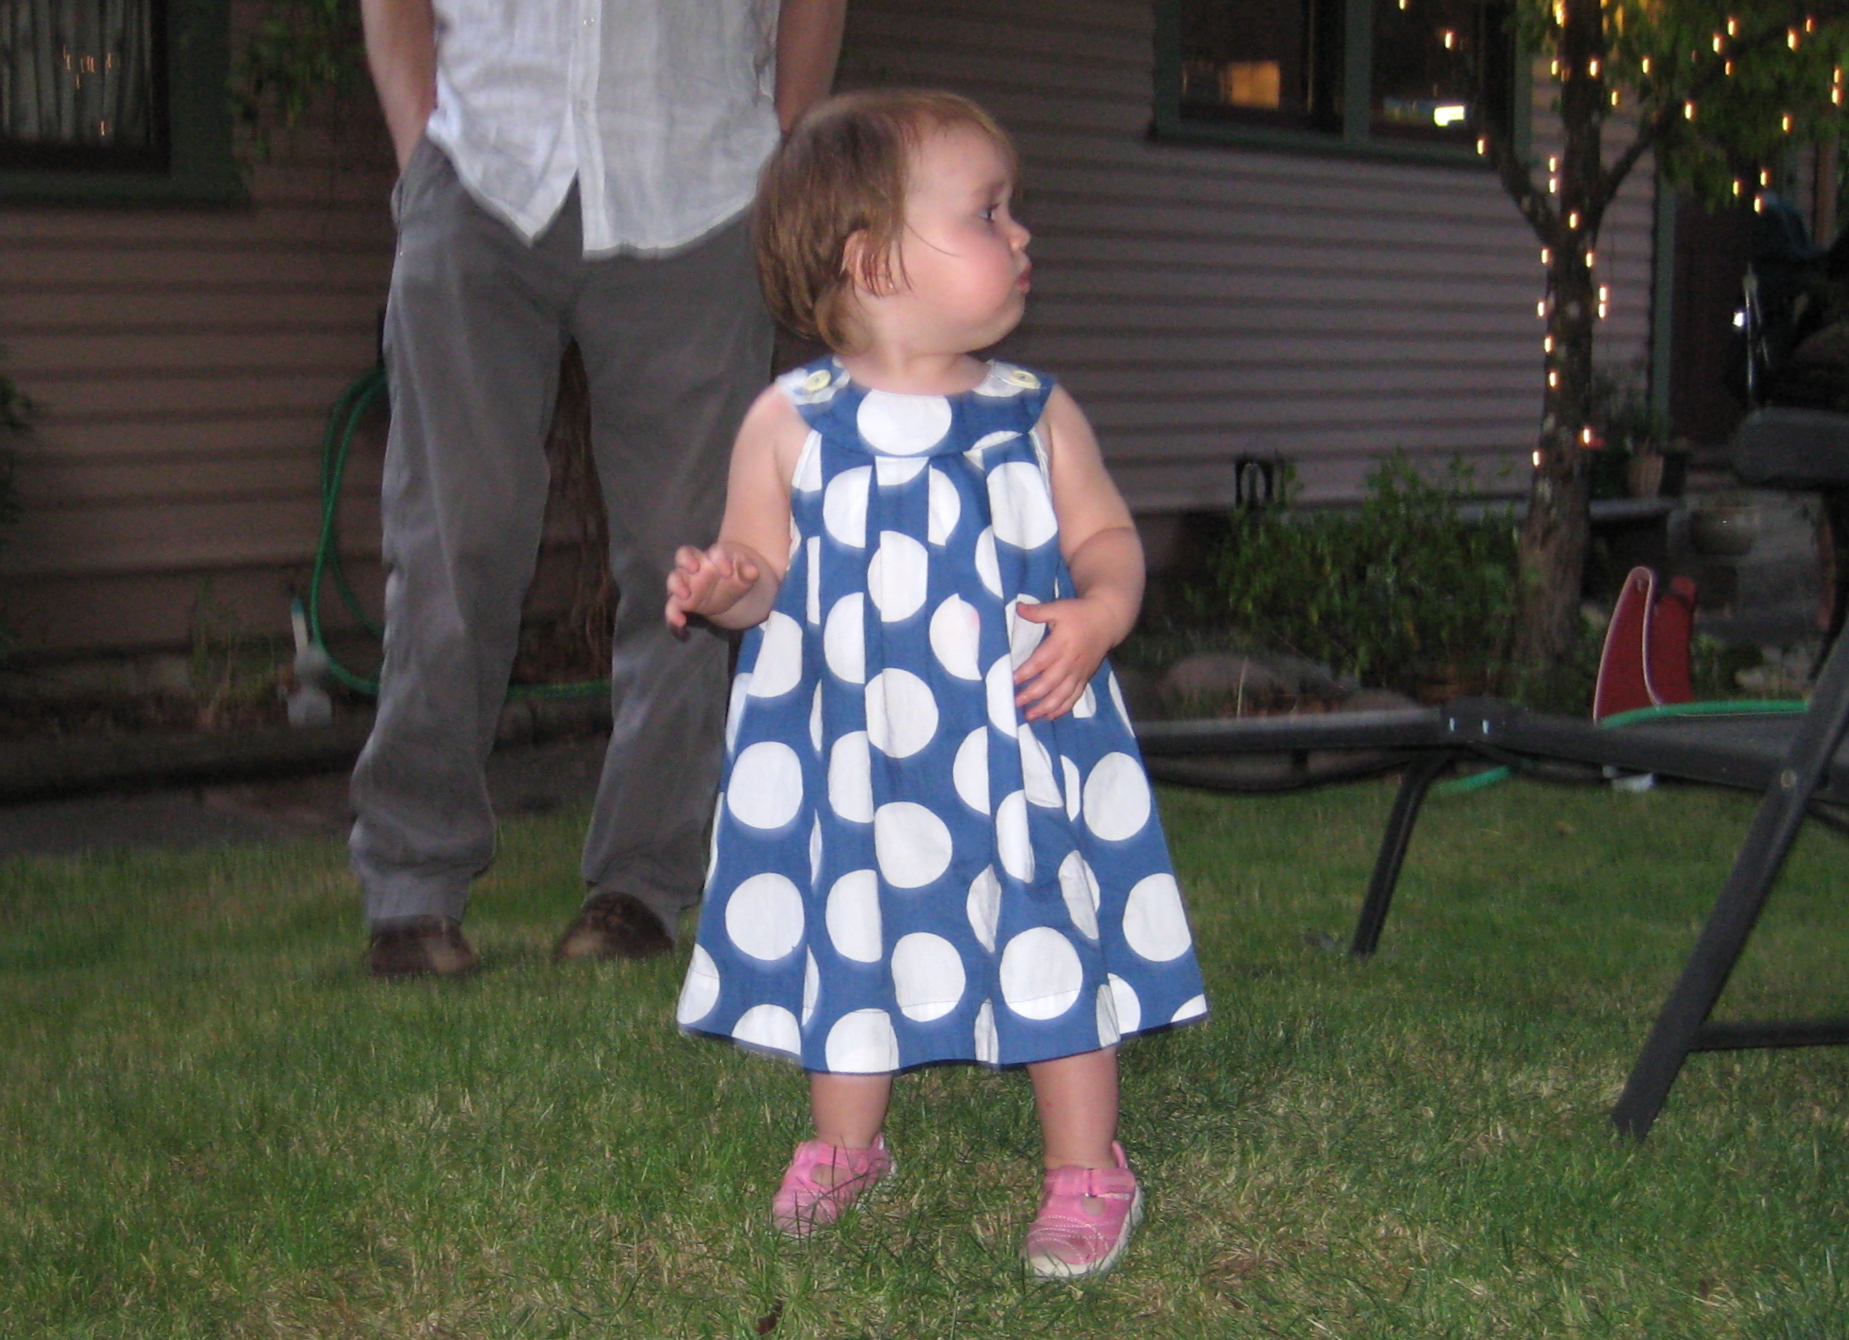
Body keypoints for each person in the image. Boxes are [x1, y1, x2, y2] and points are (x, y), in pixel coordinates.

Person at [664, 90, 1209, 1280]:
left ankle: (1085, 1163)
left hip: (1015, 741)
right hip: (860, 755)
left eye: (1012, 212)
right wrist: (724, 583)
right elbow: (764, 578)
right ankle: (844, 1142)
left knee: (1043, 922)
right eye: (987, 213)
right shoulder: (788, 420)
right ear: (872, 262)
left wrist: (1100, 612)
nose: (1022, 238)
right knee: (849, 924)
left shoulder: (1030, 413)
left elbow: (1108, 538)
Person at [350, 0, 848, 978]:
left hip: (700, 183)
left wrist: (782, 150)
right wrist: (418, 159)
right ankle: (411, 887)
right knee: (454, 542)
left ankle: (641, 884)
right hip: (481, 169)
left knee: (696, 557)